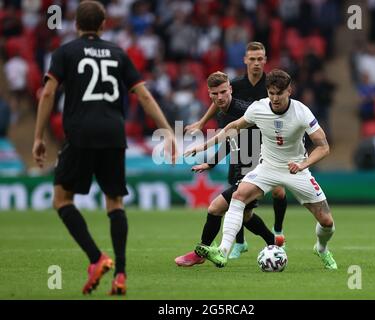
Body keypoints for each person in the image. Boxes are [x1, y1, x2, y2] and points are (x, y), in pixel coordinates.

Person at [32, 1, 177, 295]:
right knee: (115, 203)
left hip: (81, 133)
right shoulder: (118, 53)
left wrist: (39, 136)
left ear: (76, 25)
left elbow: (48, 92)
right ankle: (121, 275)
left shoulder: (65, 53)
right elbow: (144, 96)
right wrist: (168, 131)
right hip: (113, 132)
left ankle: (97, 258)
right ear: (103, 25)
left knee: (61, 199)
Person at [185, 69, 337, 270]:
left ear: (289, 91)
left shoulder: (302, 112)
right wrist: (203, 147)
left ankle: (322, 248)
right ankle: (222, 252)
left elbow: (324, 147)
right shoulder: (258, 108)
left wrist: (303, 165)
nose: (274, 98)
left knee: (326, 221)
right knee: (239, 196)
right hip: (268, 167)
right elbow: (234, 127)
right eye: (271, 93)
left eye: (279, 94)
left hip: (297, 169)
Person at [184, 42, 288, 259]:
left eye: (260, 58)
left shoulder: (268, 87)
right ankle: (256, 242)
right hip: (240, 150)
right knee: (245, 210)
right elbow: (228, 125)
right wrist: (203, 128)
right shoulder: (233, 91)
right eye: (252, 59)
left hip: (263, 152)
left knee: (234, 203)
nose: (256, 63)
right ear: (245, 60)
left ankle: (274, 234)